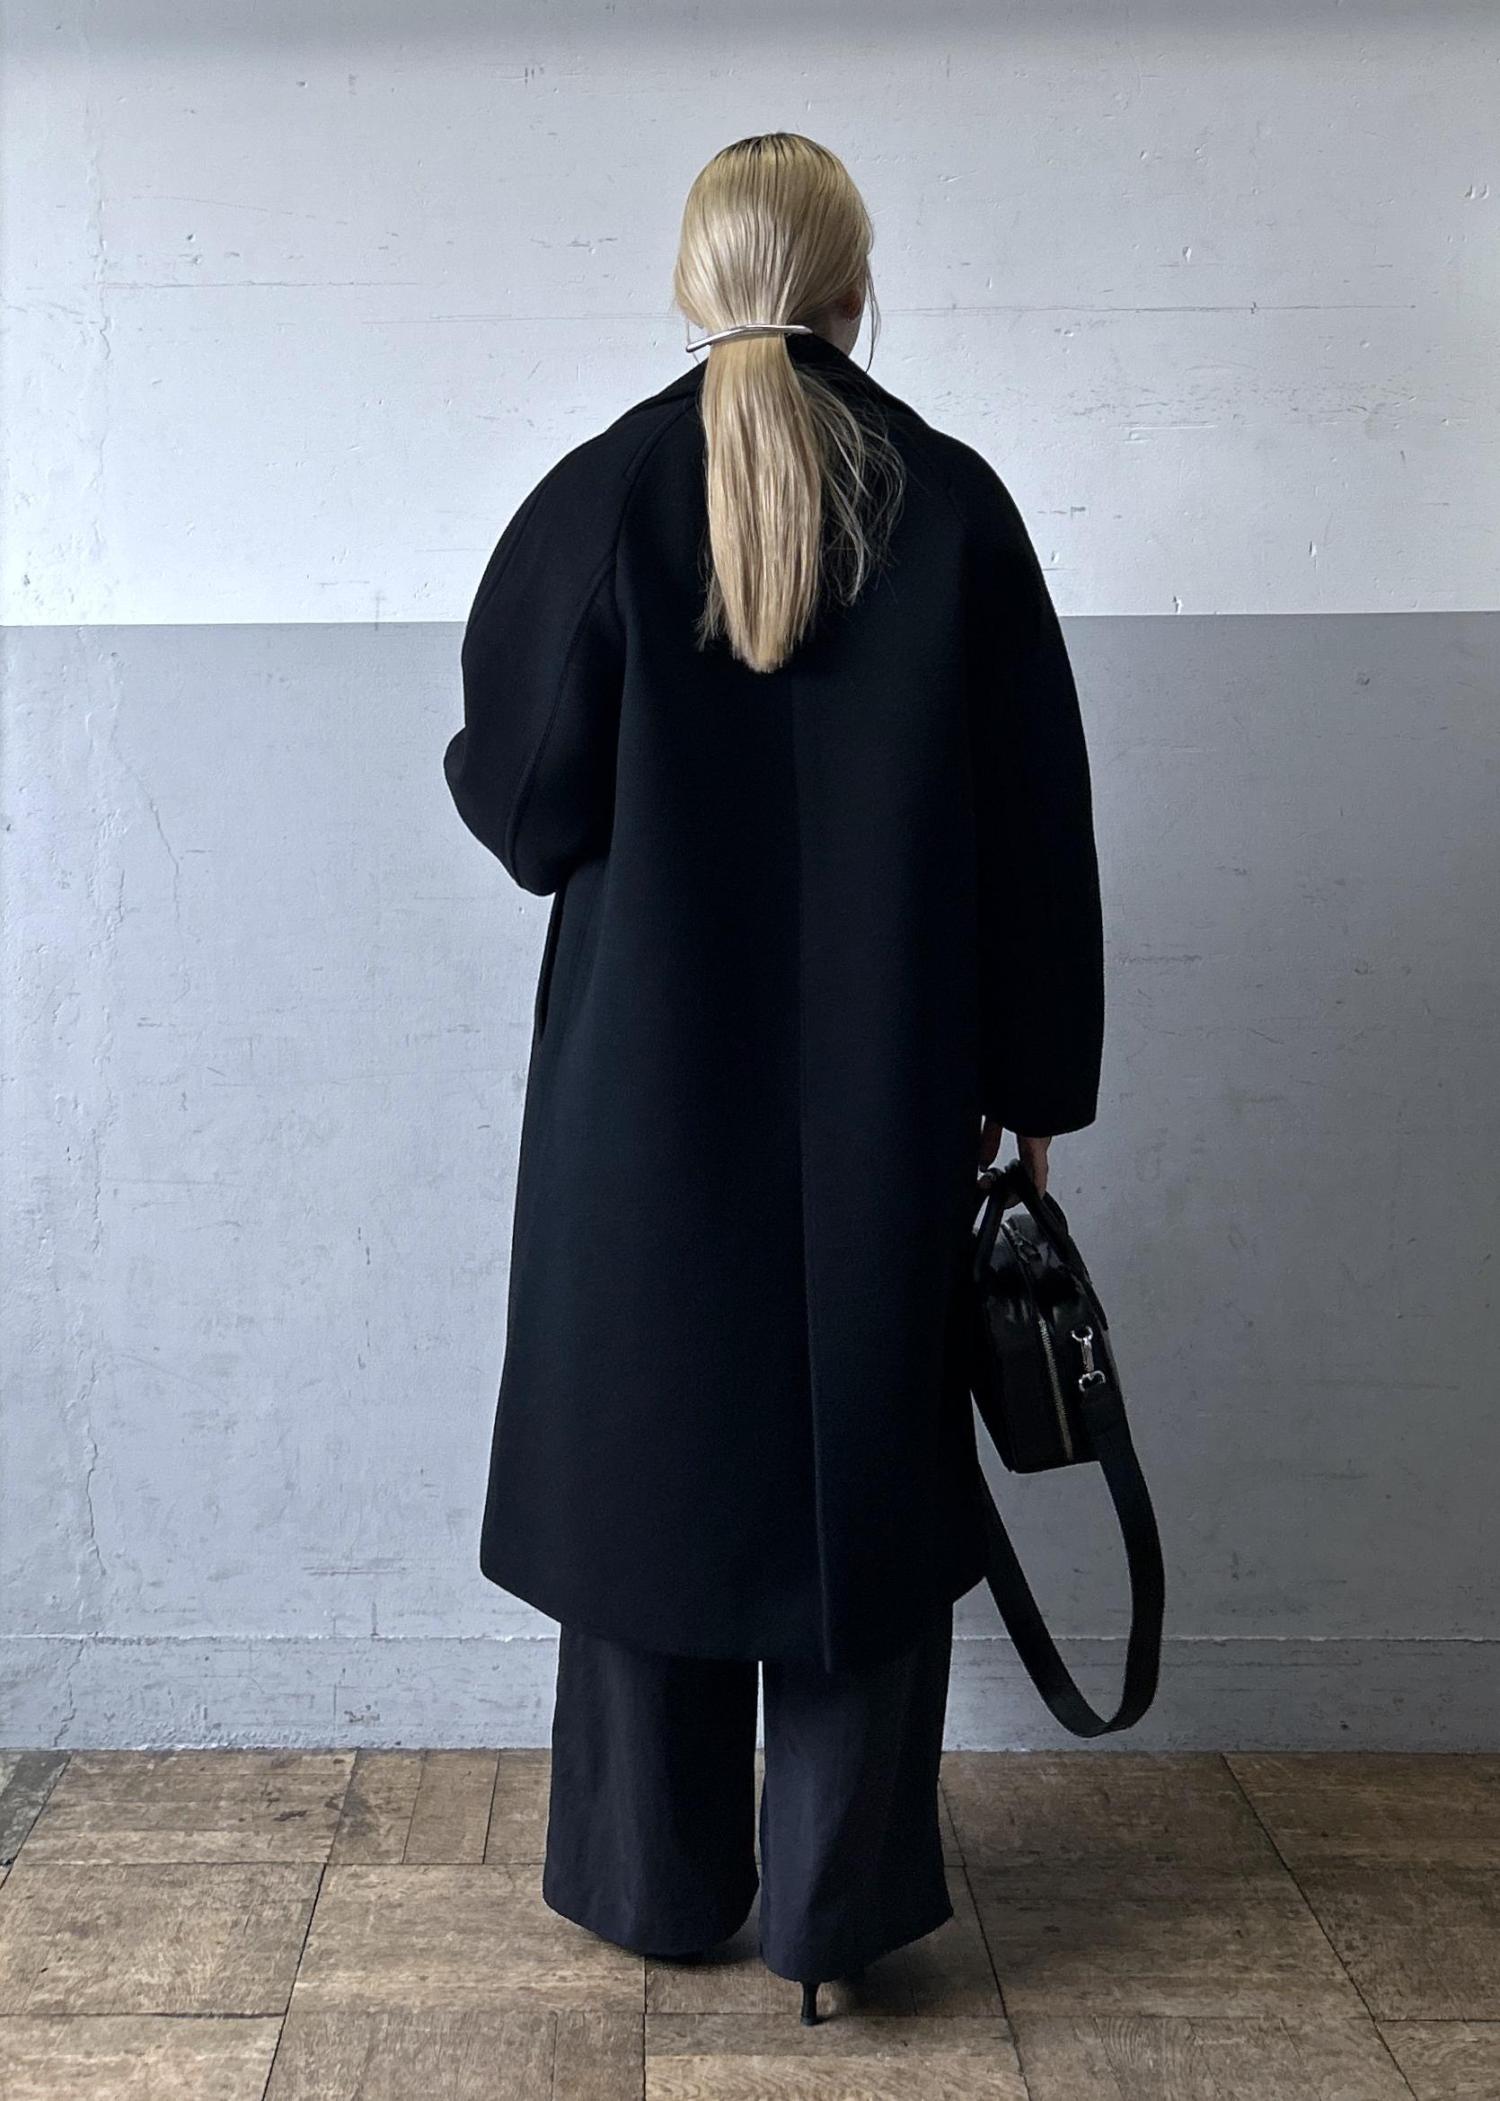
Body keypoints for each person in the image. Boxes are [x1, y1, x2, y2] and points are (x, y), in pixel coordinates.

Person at [442, 131, 1104, 2024]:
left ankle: (654, 1888)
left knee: (649, 1471)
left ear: (693, 282)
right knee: (861, 1484)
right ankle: (835, 1914)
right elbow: (1036, 836)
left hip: (638, 1106)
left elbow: (523, 807)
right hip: (892, 1103)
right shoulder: (956, 507)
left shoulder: (603, 494)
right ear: (852, 285)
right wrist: (1036, 1090)